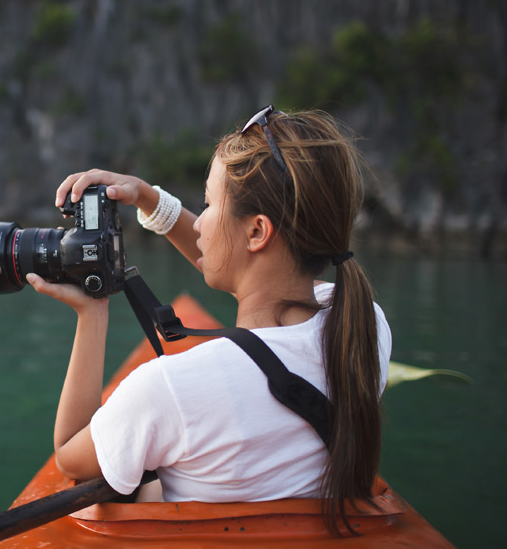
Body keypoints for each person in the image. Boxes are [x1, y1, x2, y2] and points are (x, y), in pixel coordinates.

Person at [25, 105, 392, 536]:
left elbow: (70, 453)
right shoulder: (363, 325)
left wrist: (93, 313)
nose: (199, 224)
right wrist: (148, 198)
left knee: (147, 486)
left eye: (210, 203)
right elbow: (238, 265)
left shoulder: (173, 389)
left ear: (257, 232)